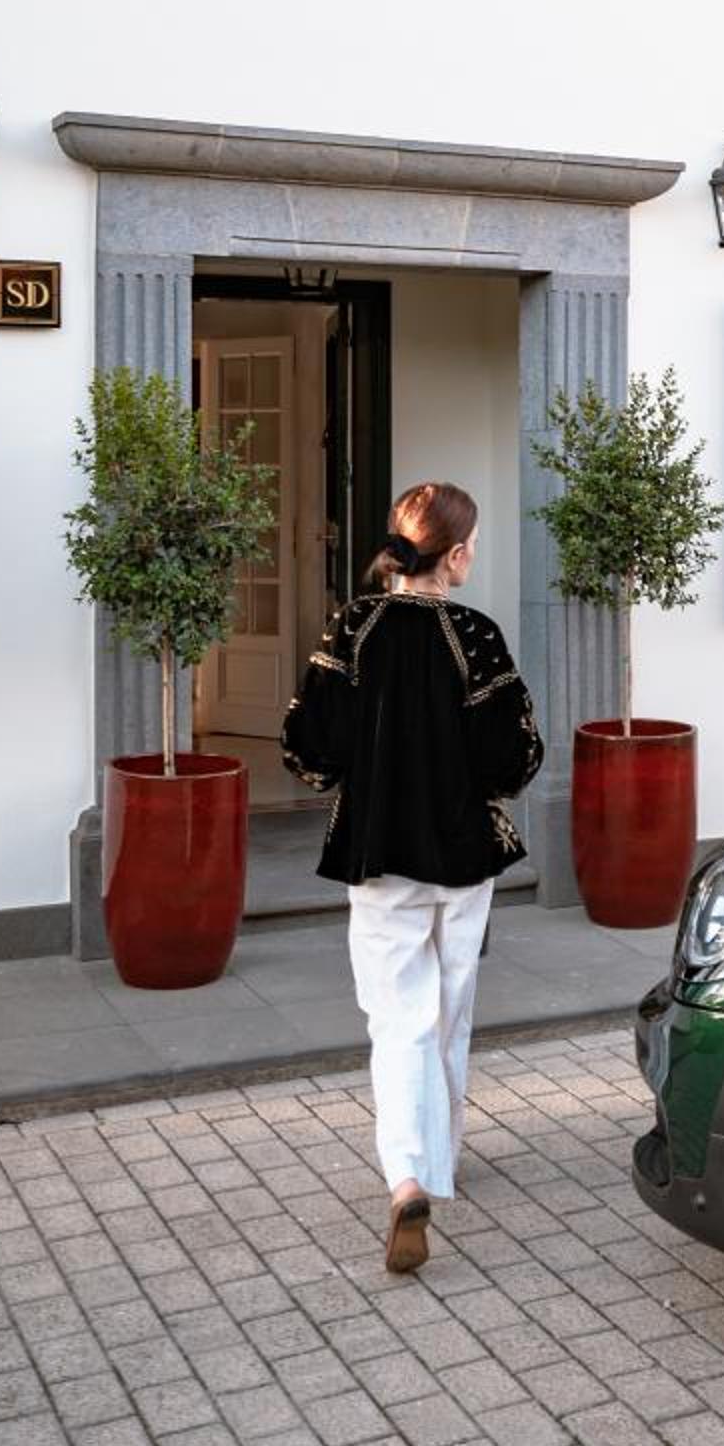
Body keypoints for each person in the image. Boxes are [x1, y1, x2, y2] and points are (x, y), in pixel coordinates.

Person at [280, 481, 543, 1274]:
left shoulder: (353, 626)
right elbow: (516, 757)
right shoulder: (477, 635)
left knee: (398, 1020)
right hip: (464, 855)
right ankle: (441, 1162)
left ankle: (407, 1178)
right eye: (473, 547)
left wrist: (358, 773)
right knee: (450, 1012)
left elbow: (308, 746)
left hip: (377, 854)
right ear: (455, 555)